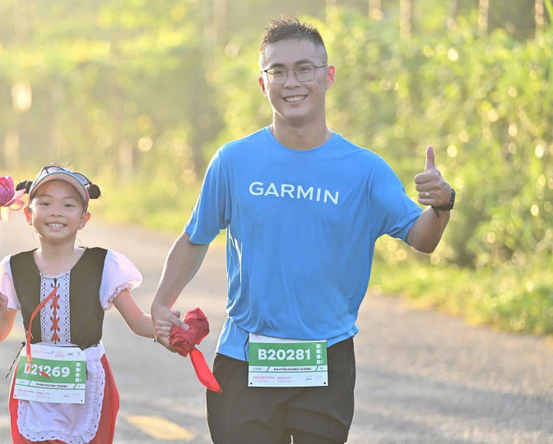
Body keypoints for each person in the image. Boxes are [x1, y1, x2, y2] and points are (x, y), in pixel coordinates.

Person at [150, 18, 454, 444]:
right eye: (277, 70)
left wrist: (441, 204)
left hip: (325, 363)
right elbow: (196, 236)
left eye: (304, 68)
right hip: (245, 360)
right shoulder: (233, 161)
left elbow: (423, 239)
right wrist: (162, 302)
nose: (291, 81)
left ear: (327, 77)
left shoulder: (364, 169)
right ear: (262, 83)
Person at [0, 165, 171, 444]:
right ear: (28, 214)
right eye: (45, 203)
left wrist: (170, 329)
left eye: (68, 205)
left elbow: (138, 321)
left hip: (87, 381)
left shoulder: (103, 264)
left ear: (84, 219)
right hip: (36, 384)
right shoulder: (13, 267)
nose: (56, 211)